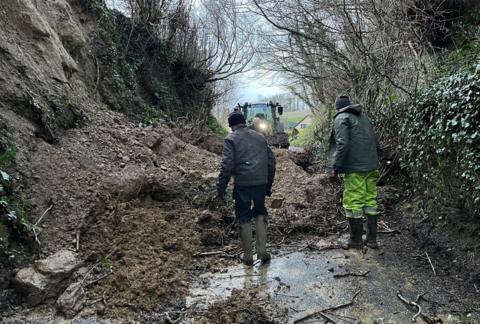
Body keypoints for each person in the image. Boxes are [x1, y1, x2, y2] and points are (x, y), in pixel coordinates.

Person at [217, 111, 276, 265]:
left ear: (232, 126)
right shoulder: (260, 137)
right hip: (260, 183)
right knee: (260, 212)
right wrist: (268, 185)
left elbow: (227, 166)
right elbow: (271, 162)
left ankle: (248, 255)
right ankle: (263, 251)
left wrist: (221, 188)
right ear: (244, 122)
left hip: (243, 184)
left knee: (244, 216)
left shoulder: (230, 139)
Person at [330, 95, 381, 249]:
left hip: (355, 168)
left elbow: (342, 144)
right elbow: (374, 141)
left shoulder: (341, 118)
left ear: (337, 107)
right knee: (370, 200)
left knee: (353, 202)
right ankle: (372, 239)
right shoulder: (364, 117)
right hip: (372, 166)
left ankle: (355, 240)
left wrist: (336, 166)